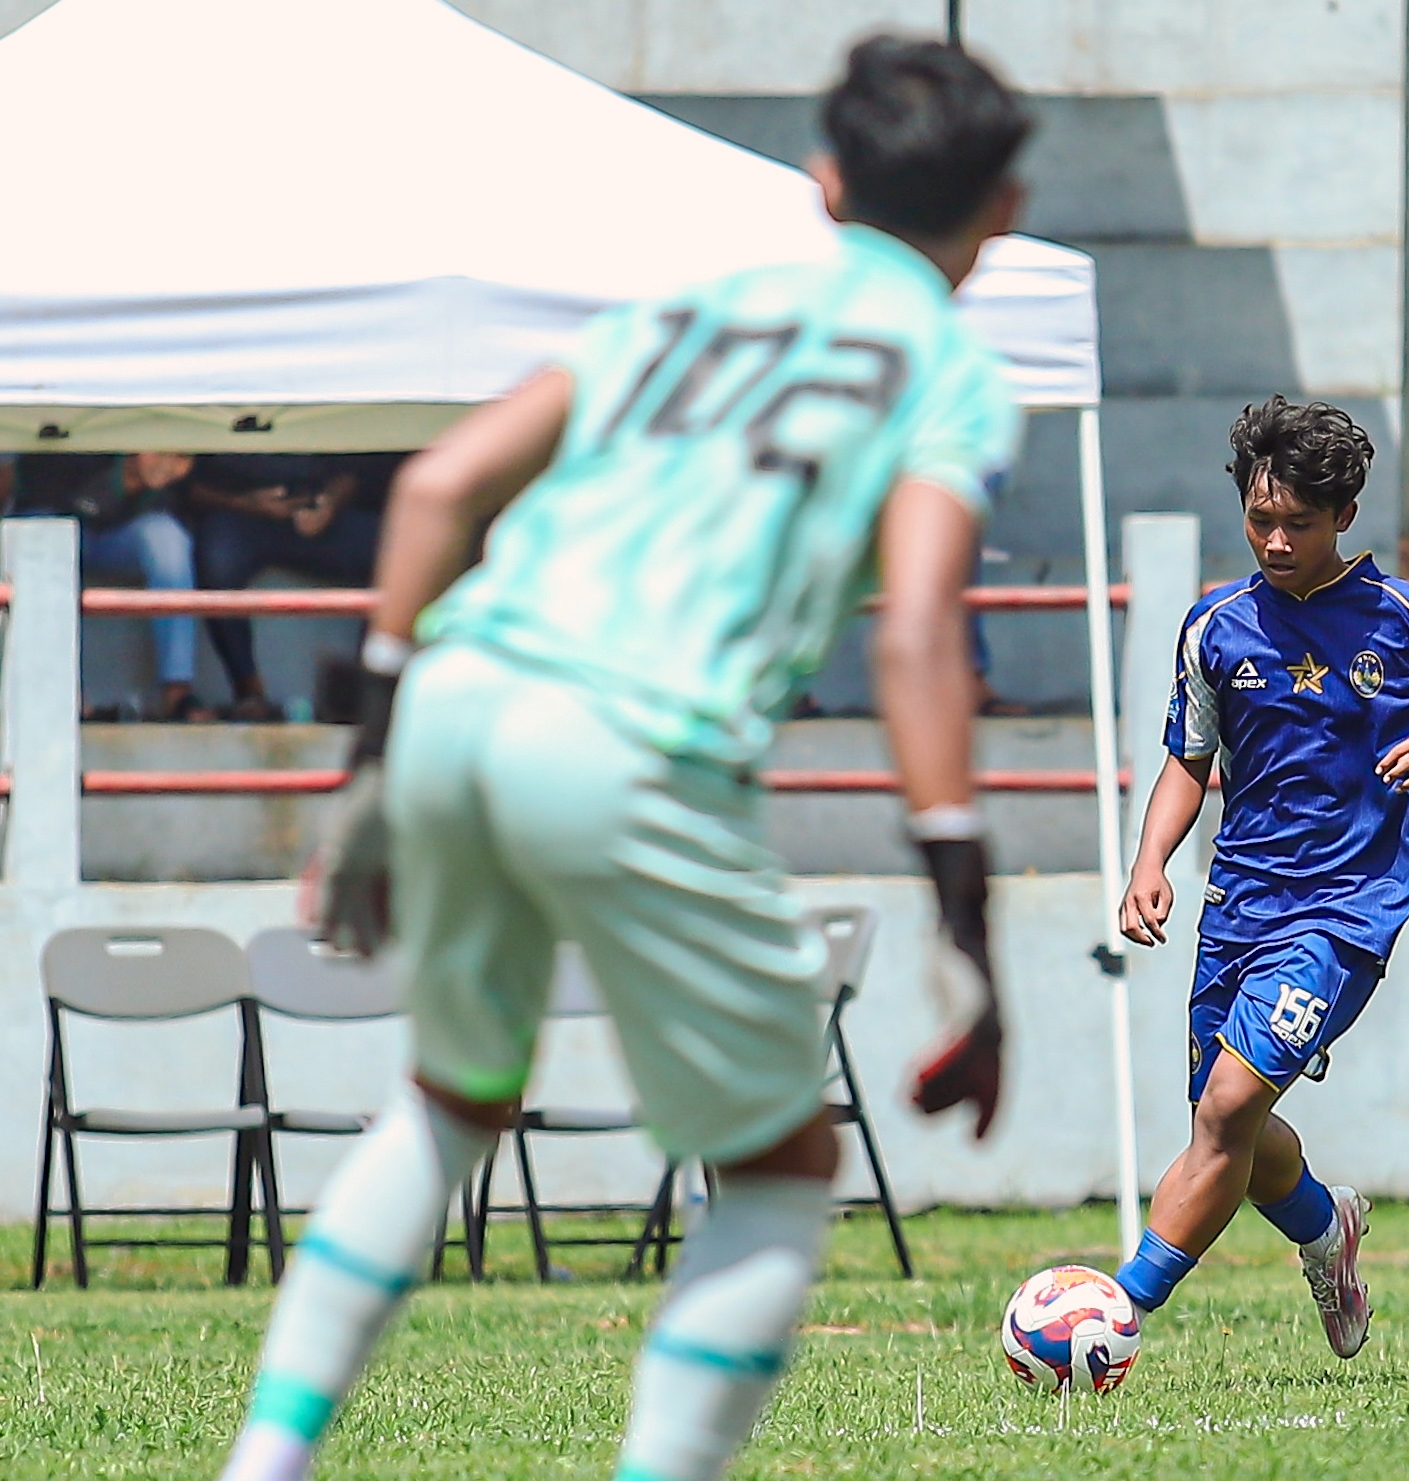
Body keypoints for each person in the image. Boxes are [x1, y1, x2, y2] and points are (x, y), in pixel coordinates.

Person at [217, 36, 1028, 1481]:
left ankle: (262, 1466)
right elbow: (914, 637)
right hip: (632, 739)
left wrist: (369, 761)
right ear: (1006, 209)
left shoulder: (691, 304)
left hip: (459, 690)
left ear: (822, 185)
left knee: (453, 1095)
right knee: (781, 1167)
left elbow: (442, 483)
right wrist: (965, 914)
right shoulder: (947, 369)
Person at [1111, 396, 1409, 1357]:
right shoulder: (1214, 626)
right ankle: (1326, 1231)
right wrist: (1149, 862)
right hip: (1240, 904)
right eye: (1259, 519)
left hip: (1348, 905)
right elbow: (1189, 758)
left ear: (1343, 514)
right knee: (1228, 1123)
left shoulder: (1406, 617)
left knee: (1227, 1109)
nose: (1274, 540)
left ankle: (1113, 1314)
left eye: (1296, 524)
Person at [187, 453, 397, 720]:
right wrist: (246, 503)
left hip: (322, 516)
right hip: (242, 515)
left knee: (396, 552)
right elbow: (185, 485)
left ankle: (364, 696)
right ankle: (248, 693)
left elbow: (362, 464)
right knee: (217, 556)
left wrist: (329, 502)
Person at [15, 451, 211, 720]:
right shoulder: (82, 444)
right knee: (42, 538)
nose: (169, 464)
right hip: (60, 526)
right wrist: (122, 479)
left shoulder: (173, 480)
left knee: (168, 538)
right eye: (159, 453)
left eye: (181, 457)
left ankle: (177, 692)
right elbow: (47, 497)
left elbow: (183, 505)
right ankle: (62, 694)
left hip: (119, 539)